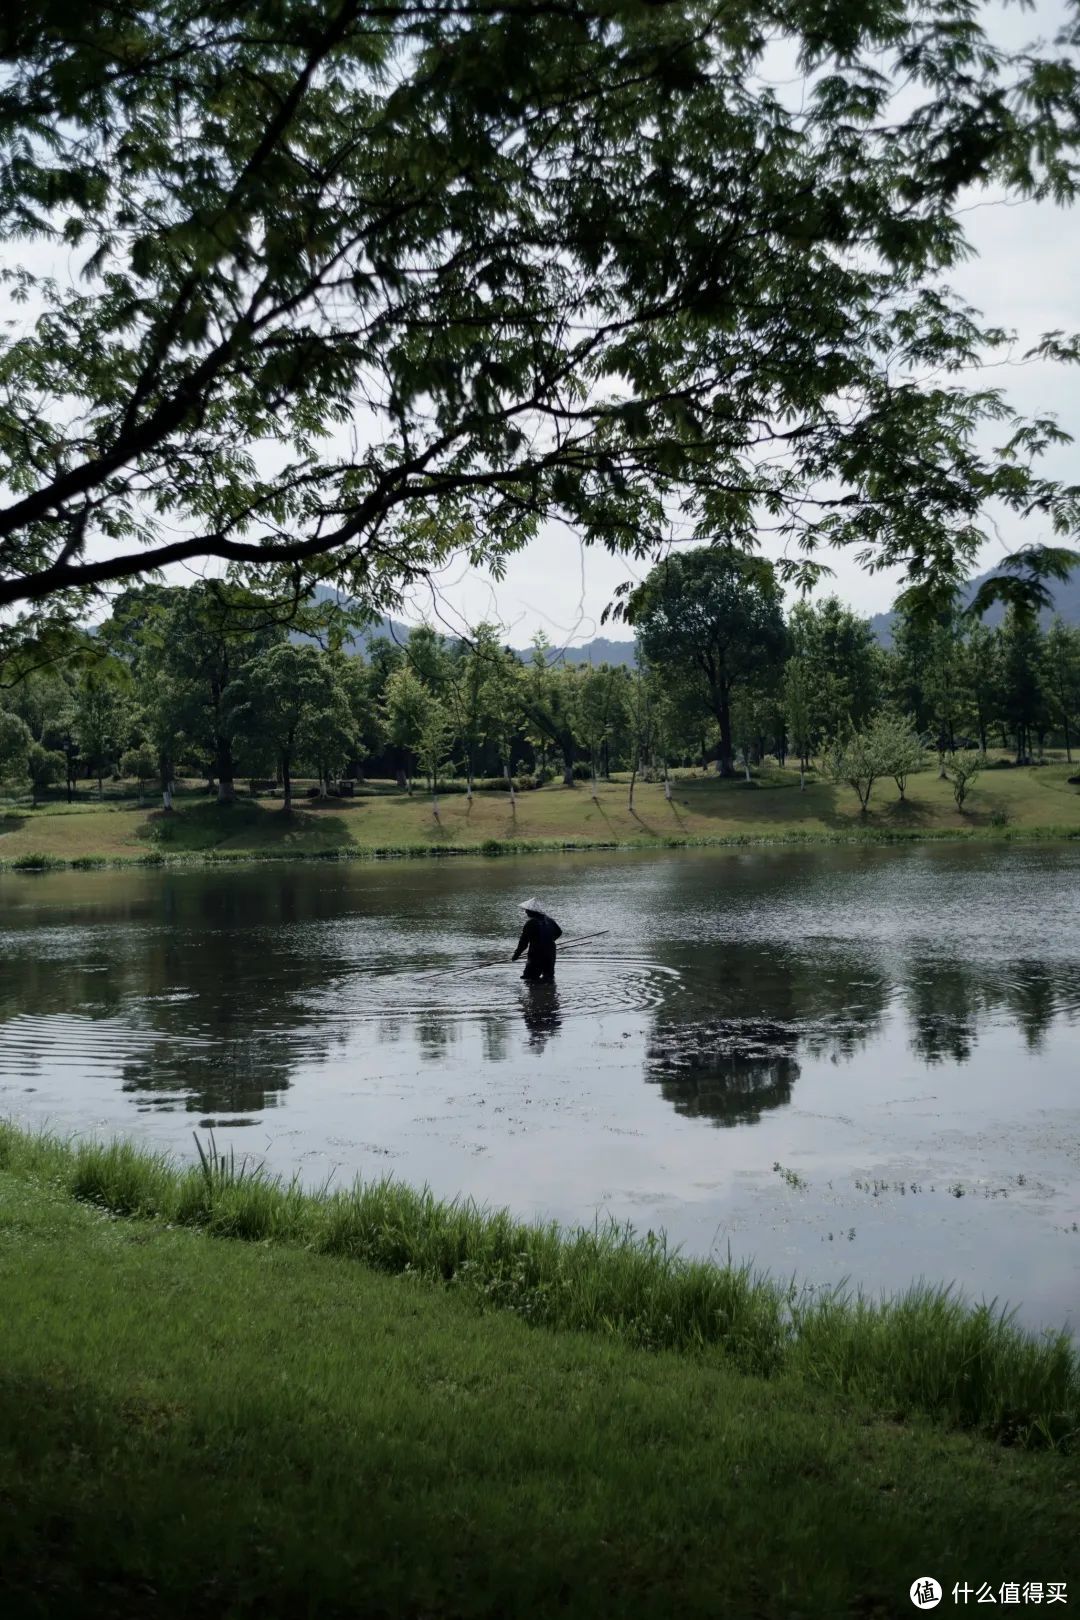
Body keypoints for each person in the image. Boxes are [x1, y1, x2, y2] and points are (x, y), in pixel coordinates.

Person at [511, 897, 562, 981]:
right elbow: (559, 932)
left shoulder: (530, 923)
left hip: (536, 954)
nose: (526, 912)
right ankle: (548, 992)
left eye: (527, 910)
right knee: (549, 978)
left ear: (532, 912)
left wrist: (516, 955)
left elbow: (523, 942)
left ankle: (535, 992)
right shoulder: (550, 920)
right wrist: (549, 941)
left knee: (529, 978)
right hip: (550, 954)